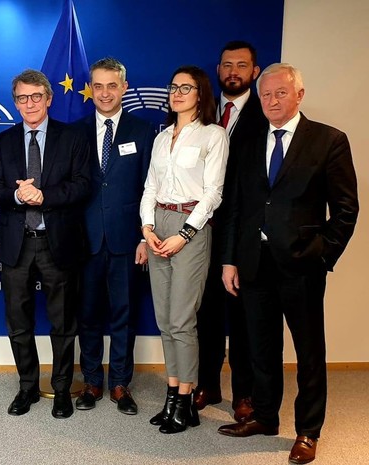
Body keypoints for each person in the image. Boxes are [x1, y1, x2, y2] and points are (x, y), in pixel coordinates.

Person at [218, 63, 358, 465]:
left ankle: (308, 431)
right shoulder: (247, 143)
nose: (272, 100)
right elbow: (236, 207)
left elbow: (346, 209)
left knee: (309, 352)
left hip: (302, 266)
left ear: (299, 95)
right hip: (254, 263)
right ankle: (265, 416)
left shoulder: (328, 140)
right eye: (265, 94)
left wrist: (323, 254)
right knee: (261, 347)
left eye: (281, 93)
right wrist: (230, 260)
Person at [0, 69, 91, 419]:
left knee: (63, 324)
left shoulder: (72, 137)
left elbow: (82, 186)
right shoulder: (4, 141)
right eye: (22, 98)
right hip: (16, 243)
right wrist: (18, 195)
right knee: (18, 323)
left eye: (35, 96)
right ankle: (27, 387)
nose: (29, 104)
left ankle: (61, 390)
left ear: (48, 99)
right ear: (15, 103)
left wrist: (44, 195)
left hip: (56, 242)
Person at [140, 66, 229, 434]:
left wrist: (186, 233)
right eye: (173, 87)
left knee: (181, 320)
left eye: (185, 88)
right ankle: (173, 395)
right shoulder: (162, 137)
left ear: (200, 93)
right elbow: (150, 186)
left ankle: (186, 399)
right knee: (164, 321)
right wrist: (147, 227)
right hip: (158, 224)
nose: (176, 93)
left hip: (191, 226)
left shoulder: (213, 135)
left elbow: (213, 193)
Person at [74, 58, 154, 415]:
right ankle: (92, 380)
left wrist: (144, 237)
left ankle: (120, 383)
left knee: (125, 314)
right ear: (91, 89)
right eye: (98, 86)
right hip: (85, 240)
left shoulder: (143, 131)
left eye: (112, 85)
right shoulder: (74, 132)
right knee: (88, 315)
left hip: (127, 240)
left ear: (124, 87)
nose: (105, 93)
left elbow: (150, 188)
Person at [194, 41, 267, 422]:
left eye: (241, 65)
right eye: (227, 65)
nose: (233, 71)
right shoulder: (203, 111)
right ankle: (208, 384)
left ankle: (244, 393)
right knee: (206, 313)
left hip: (244, 232)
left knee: (242, 317)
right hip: (203, 227)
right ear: (218, 70)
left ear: (255, 72)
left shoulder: (264, 113)